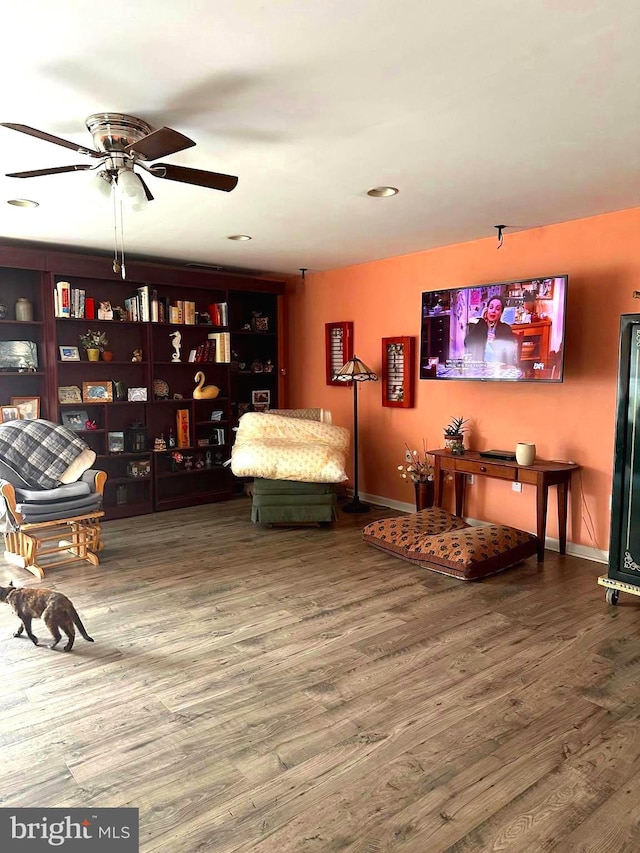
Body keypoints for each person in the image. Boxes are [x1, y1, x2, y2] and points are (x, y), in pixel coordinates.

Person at [464, 296, 518, 365]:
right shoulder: (481, 325)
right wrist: (482, 321)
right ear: (487, 310)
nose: (493, 311)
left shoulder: (506, 329)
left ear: (501, 313)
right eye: (491, 308)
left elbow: (510, 354)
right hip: (481, 369)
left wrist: (495, 342)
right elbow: (467, 343)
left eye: (498, 309)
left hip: (499, 369)